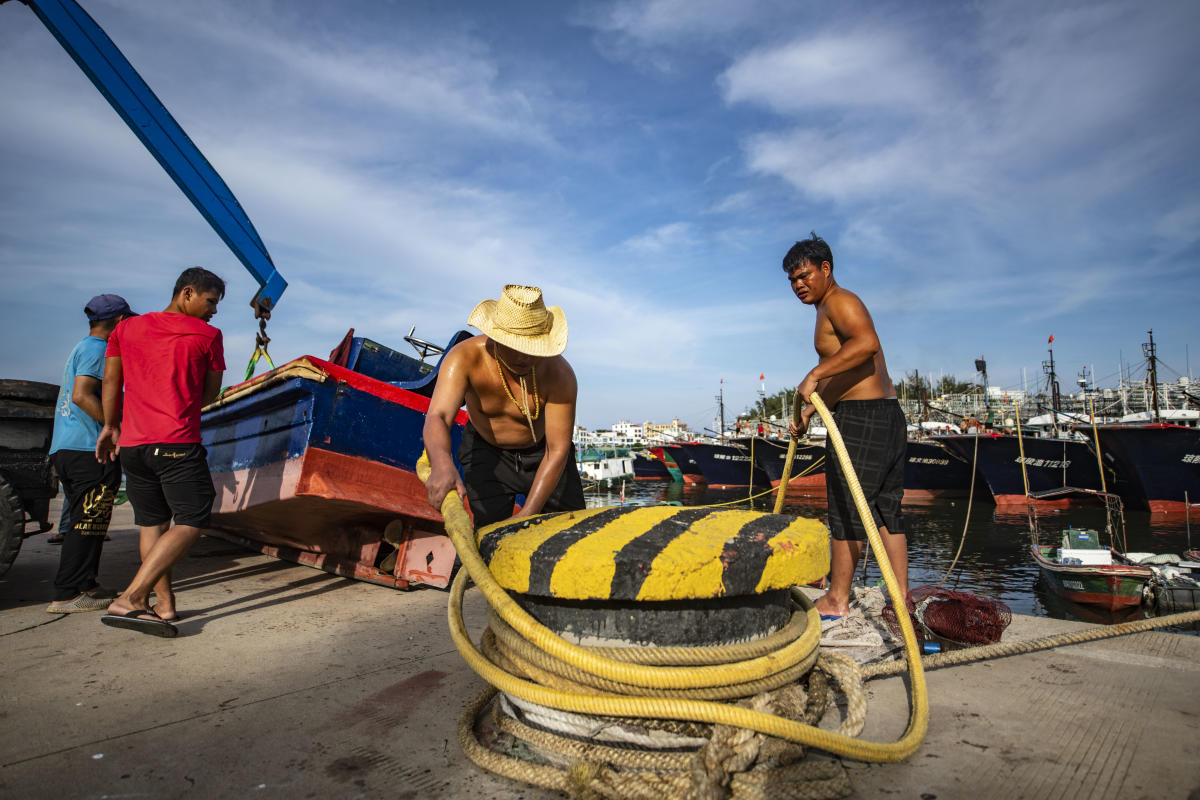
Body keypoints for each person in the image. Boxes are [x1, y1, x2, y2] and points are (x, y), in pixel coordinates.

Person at [96, 268, 226, 637]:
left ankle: (165, 605)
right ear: (187, 293)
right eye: (210, 301)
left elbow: (111, 381)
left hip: (133, 446)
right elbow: (210, 394)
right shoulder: (208, 335)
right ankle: (133, 598)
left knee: (152, 524)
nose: (214, 311)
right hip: (176, 442)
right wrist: (181, 403)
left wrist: (110, 426)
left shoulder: (125, 330)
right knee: (193, 519)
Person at [783, 233, 907, 619]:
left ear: (826, 269)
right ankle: (900, 598)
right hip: (885, 415)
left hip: (863, 419)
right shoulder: (828, 307)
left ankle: (837, 599)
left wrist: (815, 372)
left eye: (804, 275)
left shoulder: (839, 301)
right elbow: (852, 370)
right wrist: (812, 410)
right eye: (792, 280)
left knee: (846, 506)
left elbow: (866, 344)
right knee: (887, 509)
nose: (799, 284)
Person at [423, 284, 584, 528]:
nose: (524, 357)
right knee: (487, 534)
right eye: (515, 346)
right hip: (487, 454)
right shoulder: (464, 359)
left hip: (544, 456)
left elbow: (557, 450)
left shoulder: (560, 375)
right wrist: (442, 463)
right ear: (496, 336)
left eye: (532, 347)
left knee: (571, 530)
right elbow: (439, 416)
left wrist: (527, 513)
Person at [45, 295, 136, 613]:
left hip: (68, 447)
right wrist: (115, 428)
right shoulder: (99, 350)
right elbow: (83, 395)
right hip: (87, 449)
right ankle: (67, 593)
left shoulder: (82, 347)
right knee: (88, 521)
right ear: (120, 321)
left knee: (91, 521)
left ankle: (86, 583)